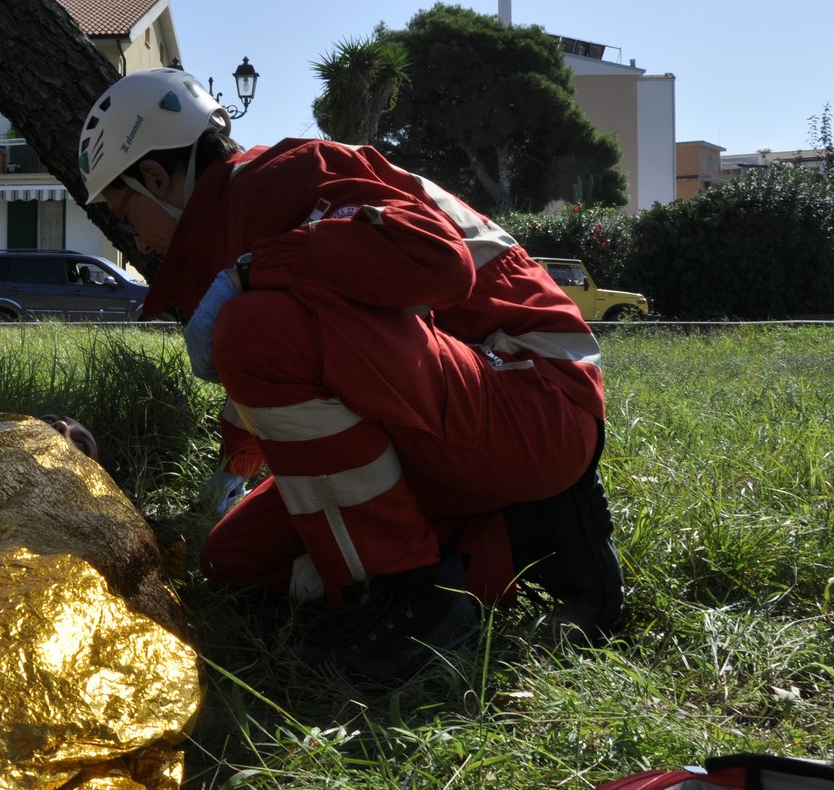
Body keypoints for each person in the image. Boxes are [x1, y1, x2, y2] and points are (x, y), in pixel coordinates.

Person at [78, 68, 624, 680]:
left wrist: (256, 270)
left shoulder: (276, 180)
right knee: (233, 561)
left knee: (254, 327)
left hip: (538, 400)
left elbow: (437, 261)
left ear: (155, 177)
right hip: (468, 415)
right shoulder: (241, 210)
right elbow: (291, 392)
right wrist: (220, 489)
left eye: (125, 213)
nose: (133, 241)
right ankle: (515, 539)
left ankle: (414, 602)